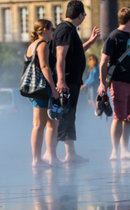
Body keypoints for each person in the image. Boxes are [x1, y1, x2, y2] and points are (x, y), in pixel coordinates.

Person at [50, 0, 100, 163]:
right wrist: (61, 80)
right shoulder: (65, 30)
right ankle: (51, 154)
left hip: (72, 80)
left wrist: (90, 42)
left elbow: (74, 53)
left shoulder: (69, 30)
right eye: (84, 14)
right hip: (67, 81)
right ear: (80, 15)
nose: (84, 17)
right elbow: (60, 57)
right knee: (65, 116)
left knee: (69, 115)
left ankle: (70, 153)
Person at [98, 7, 130, 161]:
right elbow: (103, 62)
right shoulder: (114, 37)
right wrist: (102, 83)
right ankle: (115, 151)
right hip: (118, 82)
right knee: (118, 117)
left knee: (129, 118)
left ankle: (125, 149)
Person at [24, 19, 59, 168]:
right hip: (42, 89)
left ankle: (44, 157)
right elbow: (44, 67)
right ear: (44, 30)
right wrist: (53, 87)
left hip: (35, 89)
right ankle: (37, 159)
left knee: (46, 123)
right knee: (39, 125)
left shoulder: (32, 45)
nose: (53, 31)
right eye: (52, 29)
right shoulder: (42, 45)